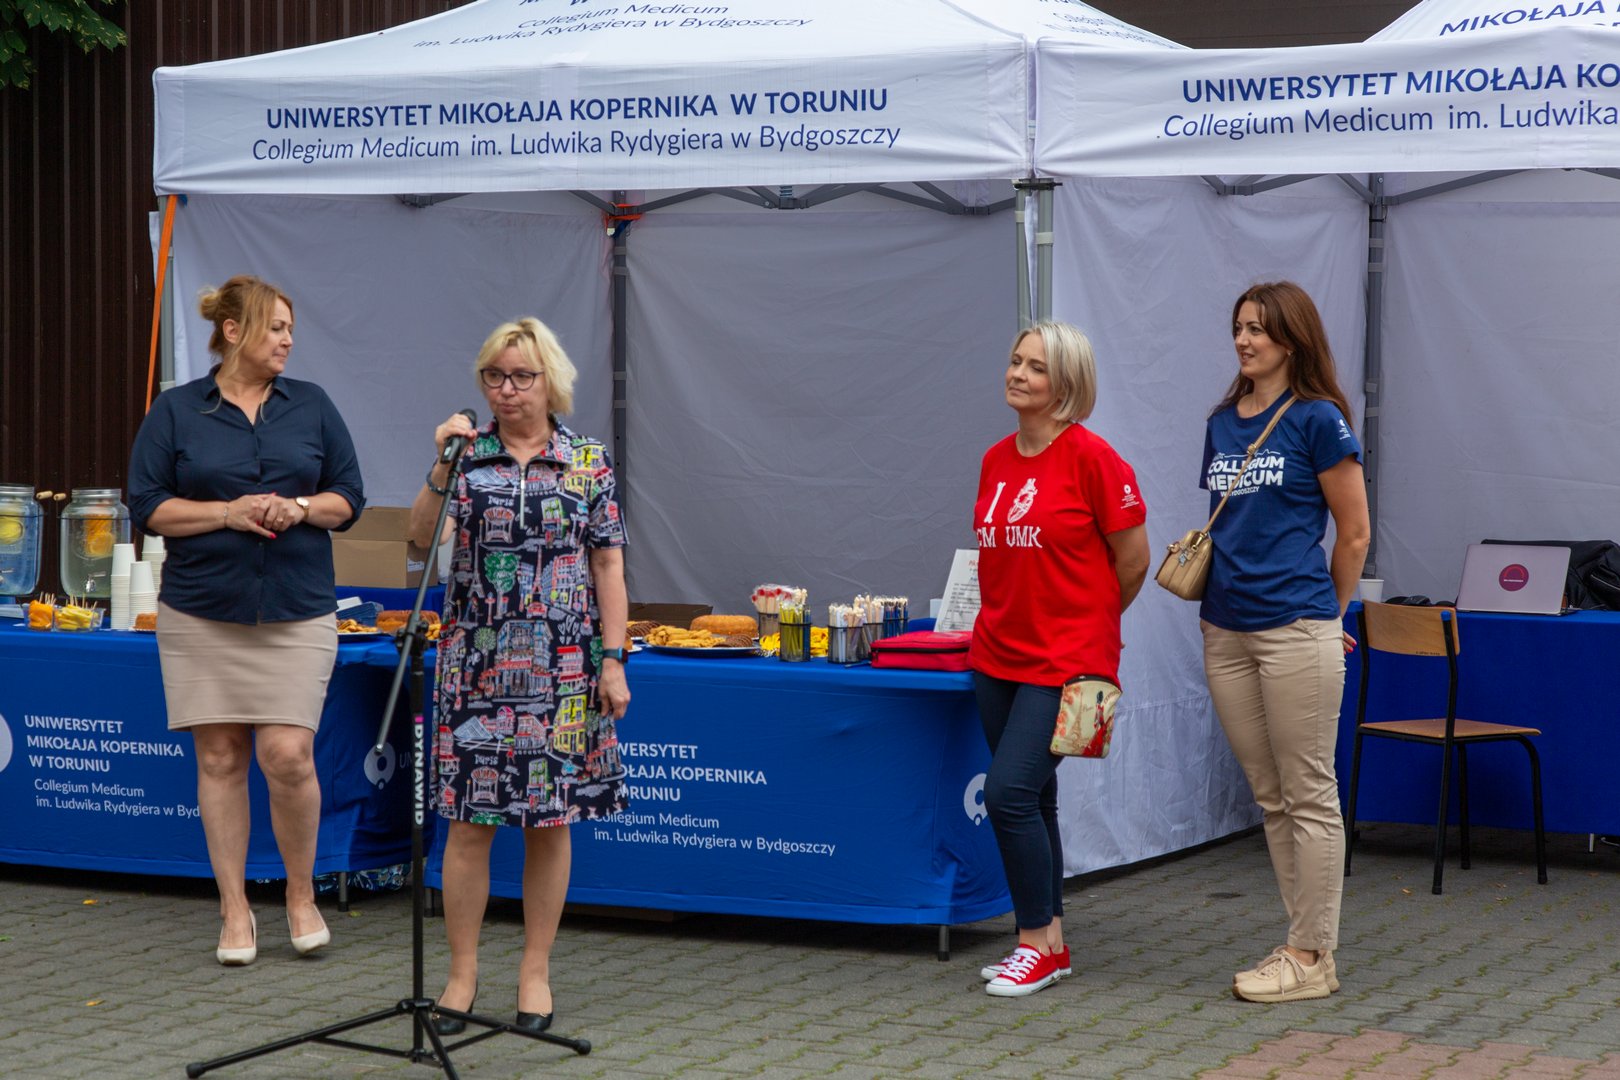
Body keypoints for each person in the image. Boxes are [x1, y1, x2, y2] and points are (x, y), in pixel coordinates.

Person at [128, 274, 365, 966]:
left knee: (286, 755)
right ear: (233, 332)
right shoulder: (176, 411)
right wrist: (227, 513)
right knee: (220, 756)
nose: (288, 340)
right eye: (276, 327)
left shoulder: (312, 405)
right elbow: (147, 505)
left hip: (296, 609)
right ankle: (234, 908)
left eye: (291, 328)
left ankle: (300, 894)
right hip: (202, 610)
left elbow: (349, 496)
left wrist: (301, 507)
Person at [409, 317, 630, 1035]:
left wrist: (614, 659)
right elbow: (421, 541)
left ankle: (535, 973)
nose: (506, 389)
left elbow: (607, 563)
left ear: (549, 381)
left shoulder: (586, 461)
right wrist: (440, 464)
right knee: (468, 825)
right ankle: (461, 975)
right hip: (475, 666)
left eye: (521, 376)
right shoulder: (466, 458)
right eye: (495, 376)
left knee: (549, 823)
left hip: (565, 667)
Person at [968, 321, 1150, 997]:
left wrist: (1091, 627)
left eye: (1036, 367)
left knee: (1006, 794)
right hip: (996, 655)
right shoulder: (995, 458)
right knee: (1035, 798)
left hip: (1067, 663)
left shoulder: (1094, 459)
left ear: (1067, 383)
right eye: (1015, 361)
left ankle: (1032, 941)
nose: (1018, 374)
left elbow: (1133, 561)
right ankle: (1052, 944)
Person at [1199, 281, 1369, 1003]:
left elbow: (1354, 533)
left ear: (1292, 340)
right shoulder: (1220, 423)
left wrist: (1330, 617)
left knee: (1308, 792)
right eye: (1239, 327)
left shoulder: (1318, 419)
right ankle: (1301, 943)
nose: (1244, 340)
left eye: (1259, 329)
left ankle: (1312, 955)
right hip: (1224, 628)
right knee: (1271, 796)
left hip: (1296, 625)